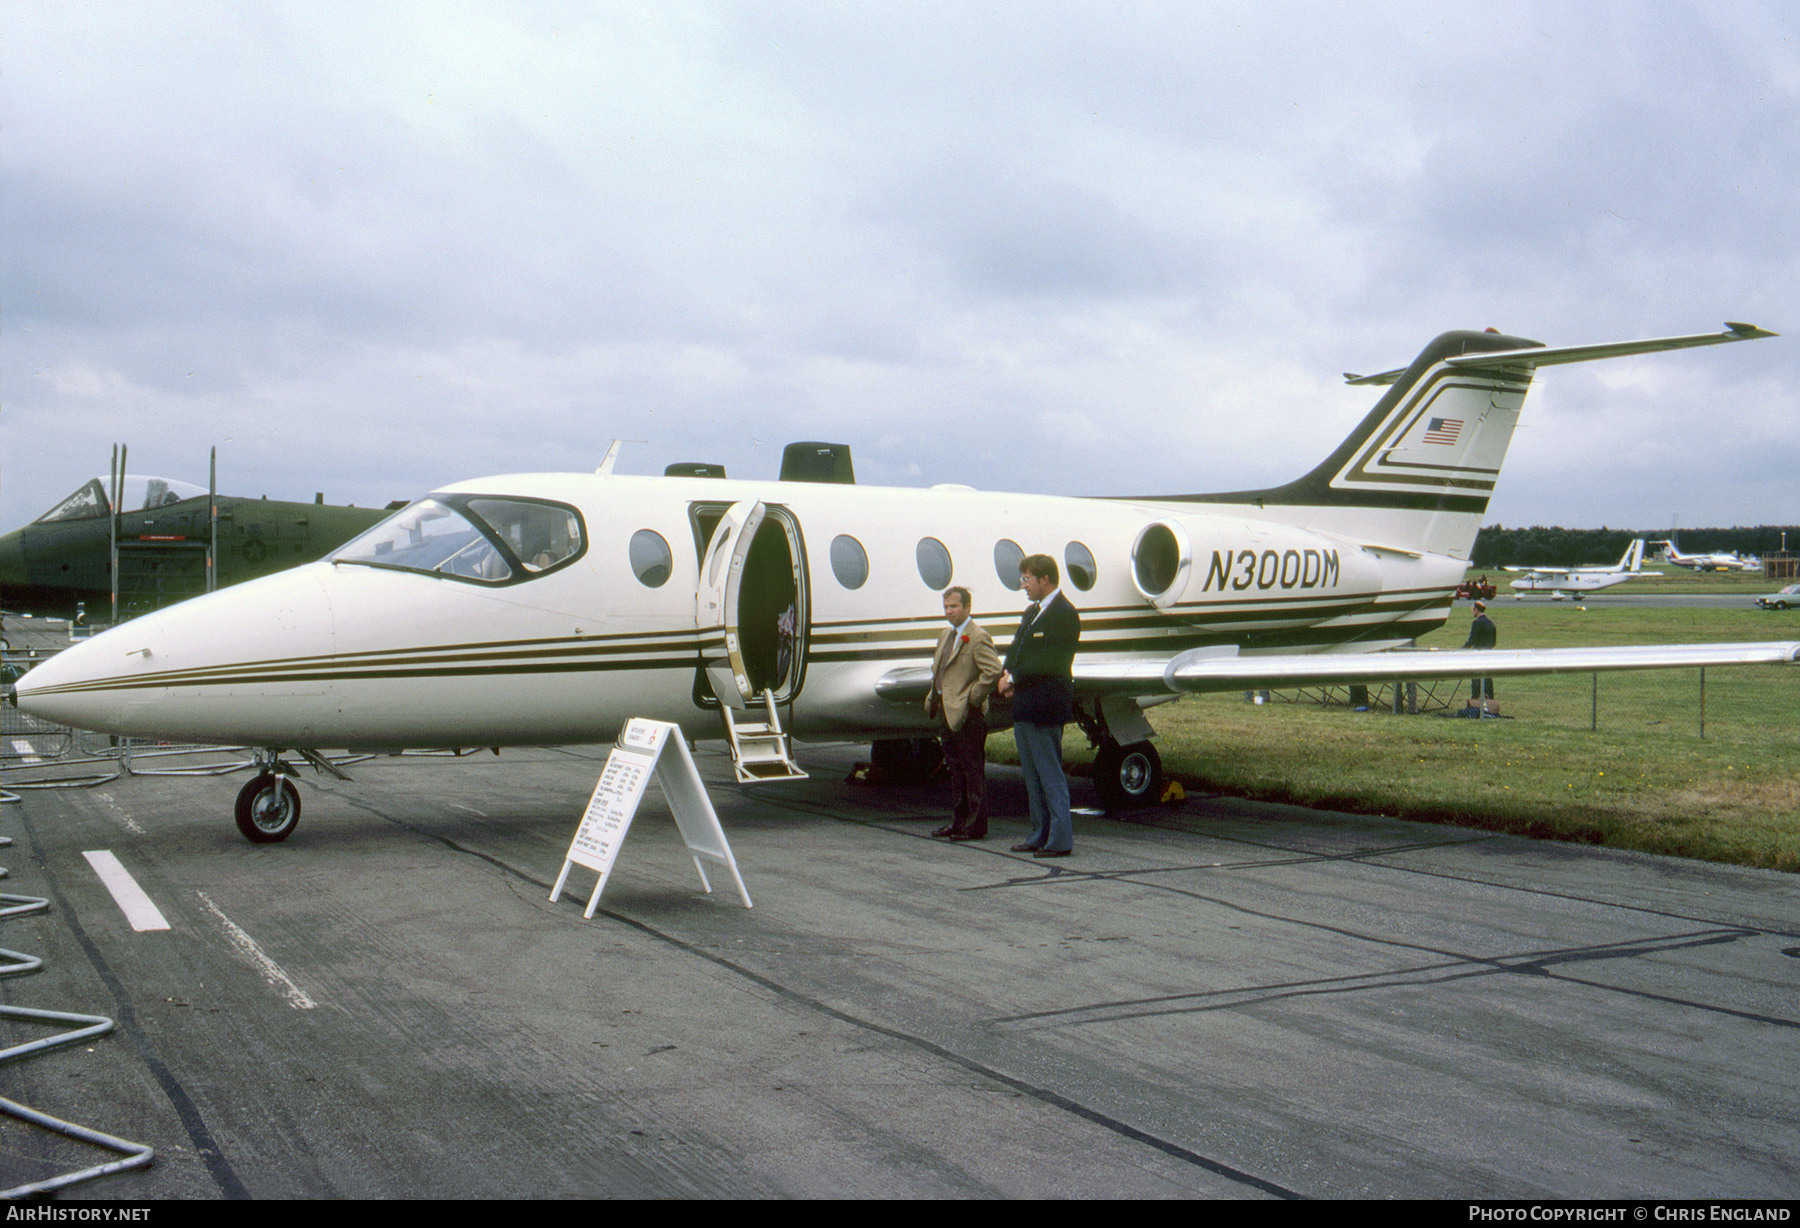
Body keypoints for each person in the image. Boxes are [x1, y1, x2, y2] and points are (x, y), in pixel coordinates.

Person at [998, 554, 1080, 858]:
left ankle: (1059, 839)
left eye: (1027, 579)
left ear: (1044, 579)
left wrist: (1015, 677)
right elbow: (1017, 647)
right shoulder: (1032, 612)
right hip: (1025, 706)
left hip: (1045, 707)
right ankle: (1038, 834)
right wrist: (1007, 673)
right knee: (1032, 776)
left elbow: (1052, 660)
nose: (1024, 585)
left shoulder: (1064, 614)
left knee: (1050, 774)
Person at [924, 586, 1003, 841]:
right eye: (946, 607)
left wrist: (972, 697)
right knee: (955, 769)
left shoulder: (978, 636)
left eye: (954, 606)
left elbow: (993, 672)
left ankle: (975, 825)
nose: (949, 612)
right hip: (946, 712)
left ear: (968, 608)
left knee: (972, 770)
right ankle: (957, 822)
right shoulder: (946, 635)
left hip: (967, 714)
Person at [1463, 599, 1497, 707]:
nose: (1472, 612)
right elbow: (1493, 642)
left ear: (1476, 610)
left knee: (1476, 678)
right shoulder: (1491, 623)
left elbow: (1471, 640)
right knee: (1487, 678)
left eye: (1472, 610)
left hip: (1478, 655)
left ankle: (1475, 700)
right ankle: (1490, 700)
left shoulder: (1477, 623)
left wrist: (1461, 650)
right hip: (1488, 654)